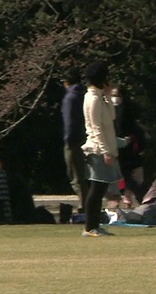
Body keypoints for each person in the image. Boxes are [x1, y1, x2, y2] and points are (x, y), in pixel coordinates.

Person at [81, 61, 126, 237]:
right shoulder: (91, 98)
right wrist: (105, 151)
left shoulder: (100, 97)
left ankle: (94, 225)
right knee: (97, 188)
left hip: (105, 147)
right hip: (96, 149)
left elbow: (111, 117)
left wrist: (107, 96)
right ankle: (90, 226)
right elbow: (96, 127)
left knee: (100, 188)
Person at [112, 86, 147, 207]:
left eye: (116, 95)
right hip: (121, 146)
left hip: (127, 147)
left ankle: (137, 195)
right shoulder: (114, 110)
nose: (114, 98)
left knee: (125, 175)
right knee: (124, 175)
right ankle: (128, 197)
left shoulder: (126, 110)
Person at [61, 67, 89, 213]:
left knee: (75, 175)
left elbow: (69, 121)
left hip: (73, 140)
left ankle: (83, 205)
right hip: (85, 138)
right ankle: (85, 203)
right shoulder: (84, 94)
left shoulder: (70, 98)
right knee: (82, 174)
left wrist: (68, 140)